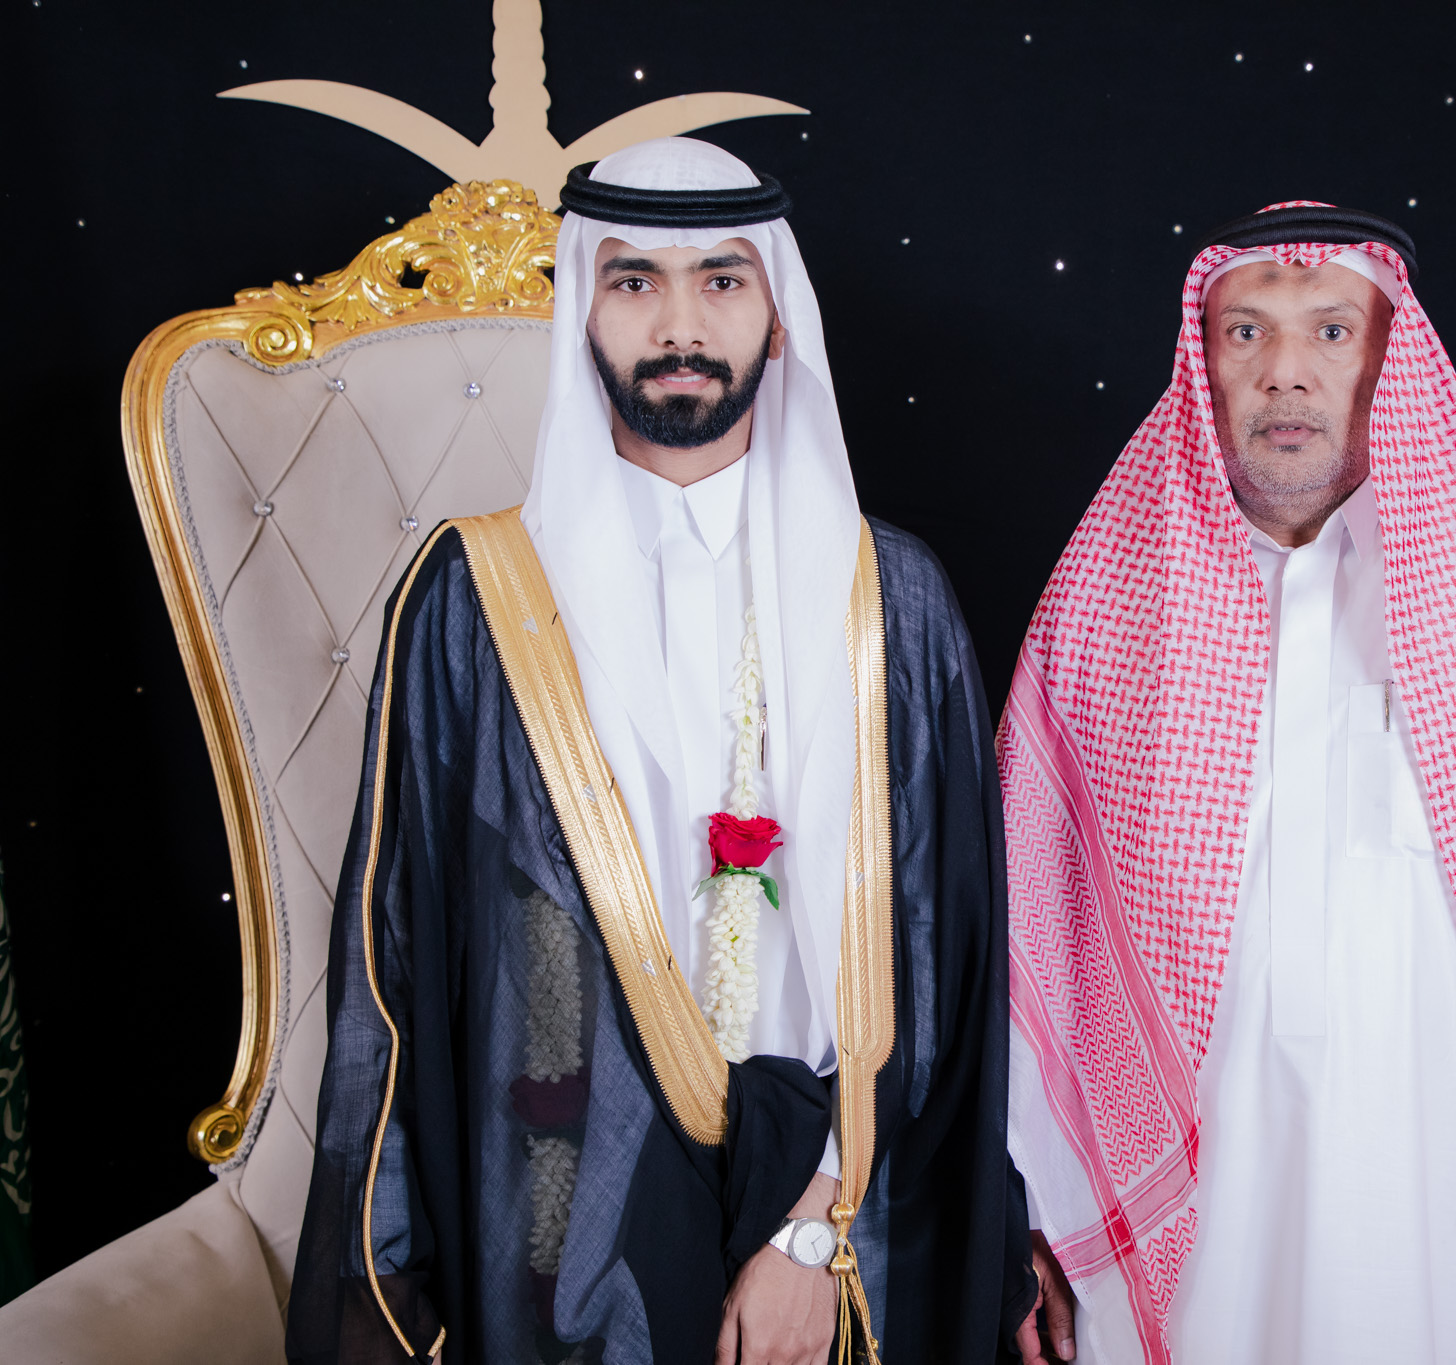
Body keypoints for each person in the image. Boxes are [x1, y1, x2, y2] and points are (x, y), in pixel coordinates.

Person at [288, 137, 1032, 1365]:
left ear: (777, 318)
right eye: (633, 281)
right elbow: (400, 965)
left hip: (837, 1203)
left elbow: (938, 957)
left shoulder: (890, 602)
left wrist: (813, 1233)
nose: (680, 324)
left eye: (721, 281)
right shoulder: (474, 597)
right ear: (580, 311)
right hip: (562, 1218)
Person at [1003, 202, 1456, 1365]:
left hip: (1455, 1220)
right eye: (1244, 332)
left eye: (1329, 330)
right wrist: (1037, 1227)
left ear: (1391, 359)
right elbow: (1036, 963)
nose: (1283, 371)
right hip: (1193, 1235)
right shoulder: (1105, 617)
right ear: (1201, 363)